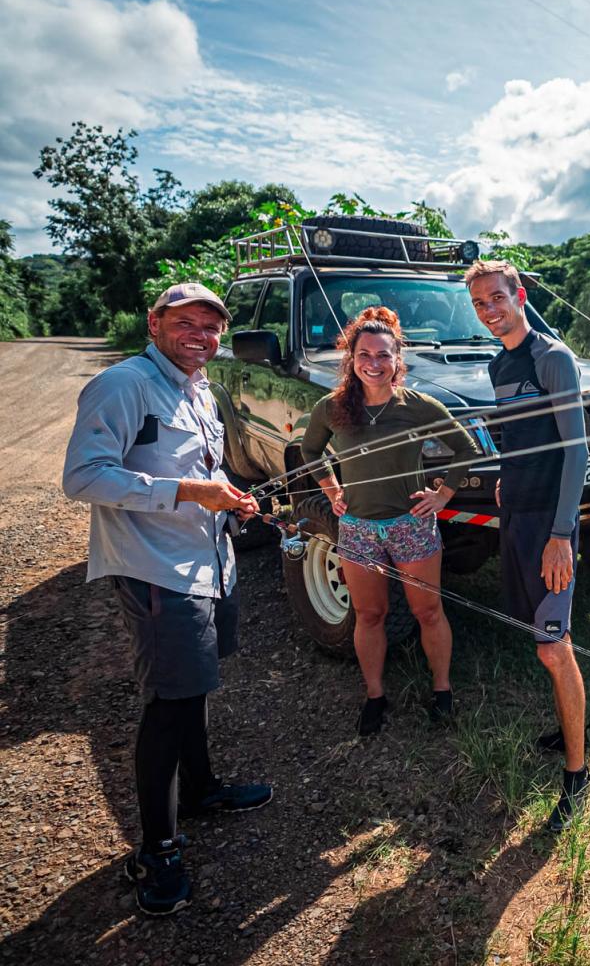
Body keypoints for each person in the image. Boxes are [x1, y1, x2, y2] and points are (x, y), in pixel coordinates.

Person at [63, 282, 272, 916]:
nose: (200, 337)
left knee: (195, 686)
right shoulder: (124, 385)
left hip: (209, 562)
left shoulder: (202, 389)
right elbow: (84, 476)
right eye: (185, 323)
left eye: (211, 328)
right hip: (157, 571)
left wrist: (230, 497)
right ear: (154, 322)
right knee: (168, 702)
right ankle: (155, 849)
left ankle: (203, 788)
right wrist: (185, 493)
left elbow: (205, 471)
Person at [301, 306, 477, 736]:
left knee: (428, 611)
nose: (374, 364)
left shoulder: (418, 406)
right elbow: (309, 452)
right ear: (351, 357)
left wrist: (442, 495)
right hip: (358, 527)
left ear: (399, 359)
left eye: (384, 355)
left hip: (410, 525)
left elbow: (467, 448)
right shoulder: (332, 407)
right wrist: (332, 492)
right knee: (370, 614)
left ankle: (442, 690)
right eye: (365, 354)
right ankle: (375, 696)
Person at [466, 259, 590, 832]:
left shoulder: (552, 357)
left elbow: (577, 451)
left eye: (497, 298)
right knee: (539, 635)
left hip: (548, 523)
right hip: (514, 511)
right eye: (480, 304)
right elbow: (518, 435)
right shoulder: (498, 364)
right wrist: (503, 478)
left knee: (552, 646)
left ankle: (577, 774)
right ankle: (566, 730)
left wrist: (562, 535)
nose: (490, 311)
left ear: (519, 295)